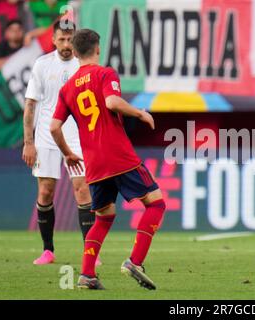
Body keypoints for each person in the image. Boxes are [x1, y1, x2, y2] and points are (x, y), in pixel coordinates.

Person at [50, 28, 166, 290]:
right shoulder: (105, 73)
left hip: (93, 164)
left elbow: (54, 127)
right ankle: (135, 262)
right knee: (156, 204)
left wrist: (68, 153)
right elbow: (112, 102)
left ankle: (87, 274)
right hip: (118, 155)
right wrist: (139, 113)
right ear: (98, 49)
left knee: (104, 217)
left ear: (76, 52)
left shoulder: (67, 88)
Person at [22, 20, 97, 265]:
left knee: (82, 189)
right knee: (45, 192)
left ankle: (90, 254)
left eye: (70, 39)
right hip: (46, 137)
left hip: (77, 137)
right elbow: (31, 104)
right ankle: (48, 250)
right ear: (53, 40)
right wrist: (28, 142)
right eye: (61, 39)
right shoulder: (42, 65)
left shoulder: (83, 65)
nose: (66, 44)